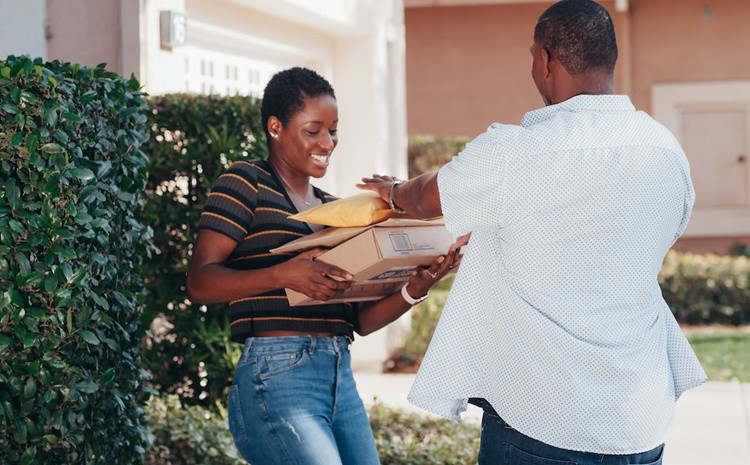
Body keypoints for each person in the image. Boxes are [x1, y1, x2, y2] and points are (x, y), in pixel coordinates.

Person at [357, 1, 706, 464]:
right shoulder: (666, 150)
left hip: (541, 418)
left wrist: (393, 190)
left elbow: (426, 199)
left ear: (546, 59)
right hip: (639, 419)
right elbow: (666, 232)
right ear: (610, 60)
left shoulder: (515, 153)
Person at [185, 67, 462, 465]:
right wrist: (283, 274)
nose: (327, 142)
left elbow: (358, 322)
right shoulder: (245, 182)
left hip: (339, 375)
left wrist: (414, 289)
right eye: (313, 130)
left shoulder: (337, 211)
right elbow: (200, 283)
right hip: (276, 373)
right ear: (276, 127)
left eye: (333, 130)